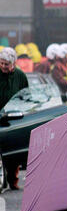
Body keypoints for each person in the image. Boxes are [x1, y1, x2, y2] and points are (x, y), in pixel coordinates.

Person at [0, 47, 28, 190]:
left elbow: (26, 95)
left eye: (6, 64)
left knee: (13, 152)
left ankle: (13, 180)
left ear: (13, 64)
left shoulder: (20, 76)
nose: (3, 66)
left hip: (14, 117)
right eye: (1, 63)